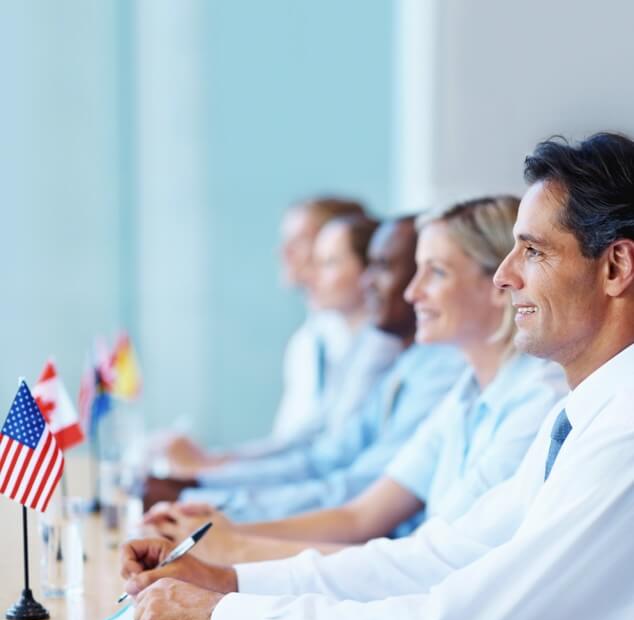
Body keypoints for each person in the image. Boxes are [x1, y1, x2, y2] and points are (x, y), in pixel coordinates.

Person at [121, 132, 634, 620]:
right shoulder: (571, 420)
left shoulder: (621, 434)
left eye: (534, 252)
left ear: (616, 267)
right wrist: (227, 581)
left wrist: (219, 615)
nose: (505, 276)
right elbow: (440, 557)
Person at [143, 196, 567, 566]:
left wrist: (235, 544)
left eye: (435, 272)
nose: (411, 292)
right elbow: (361, 514)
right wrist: (226, 528)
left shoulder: (534, 400)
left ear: (498, 284)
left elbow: (428, 560)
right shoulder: (465, 394)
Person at [170, 219, 466, 522]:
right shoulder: (402, 357)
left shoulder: (439, 367)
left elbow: (356, 492)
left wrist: (207, 499)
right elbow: (324, 457)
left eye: (328, 262)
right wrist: (200, 485)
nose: (368, 283)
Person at [158, 197, 367, 478]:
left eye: (302, 241)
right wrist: (212, 463)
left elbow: (324, 459)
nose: (285, 253)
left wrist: (210, 471)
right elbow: (293, 442)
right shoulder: (309, 340)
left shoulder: (371, 347)